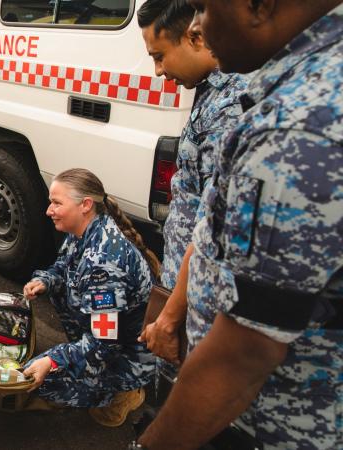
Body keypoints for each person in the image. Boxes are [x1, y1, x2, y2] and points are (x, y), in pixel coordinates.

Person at [136, 1, 343, 448]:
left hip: (267, 421)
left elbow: (247, 350)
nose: (198, 25)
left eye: (206, 8)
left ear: (258, 4)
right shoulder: (289, 88)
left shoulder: (299, 127)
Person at [136, 0, 248, 364]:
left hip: (199, 298)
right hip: (185, 287)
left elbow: (211, 227)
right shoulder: (208, 91)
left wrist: (170, 316)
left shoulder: (229, 106)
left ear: (194, 37)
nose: (157, 70)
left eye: (159, 56)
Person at [21, 168, 158, 427]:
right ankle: (97, 377)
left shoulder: (103, 264)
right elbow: (62, 267)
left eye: (56, 203)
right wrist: (44, 281)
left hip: (125, 355)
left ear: (85, 205)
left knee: (37, 380)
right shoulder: (83, 230)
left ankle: (124, 394)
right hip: (109, 339)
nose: (48, 210)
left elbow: (105, 344)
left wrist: (53, 360)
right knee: (43, 365)